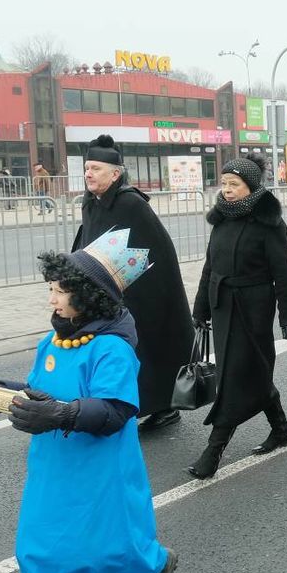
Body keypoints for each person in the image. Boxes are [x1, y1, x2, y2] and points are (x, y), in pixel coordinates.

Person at [0, 232, 176, 573]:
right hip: (53, 466)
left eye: (59, 290)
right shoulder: (52, 343)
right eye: (51, 289)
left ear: (88, 297)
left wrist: (60, 413)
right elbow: (38, 392)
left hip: (100, 469)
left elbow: (116, 411)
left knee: (106, 549)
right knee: (35, 546)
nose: (51, 299)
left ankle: (155, 566)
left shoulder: (112, 348)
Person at [188, 154, 287, 479]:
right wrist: (200, 309)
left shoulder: (270, 224)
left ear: (250, 186)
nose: (226, 190)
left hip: (253, 309)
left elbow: (284, 271)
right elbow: (210, 268)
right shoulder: (221, 220)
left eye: (233, 184)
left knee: (235, 377)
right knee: (252, 371)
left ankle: (214, 449)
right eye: (223, 184)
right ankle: (281, 430)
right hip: (223, 307)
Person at [72, 136, 194, 432]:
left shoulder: (131, 204)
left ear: (115, 174)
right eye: (87, 168)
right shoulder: (91, 205)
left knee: (147, 353)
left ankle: (162, 407)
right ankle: (104, 407)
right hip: (103, 295)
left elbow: (157, 252)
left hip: (140, 295)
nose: (89, 173)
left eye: (96, 169)